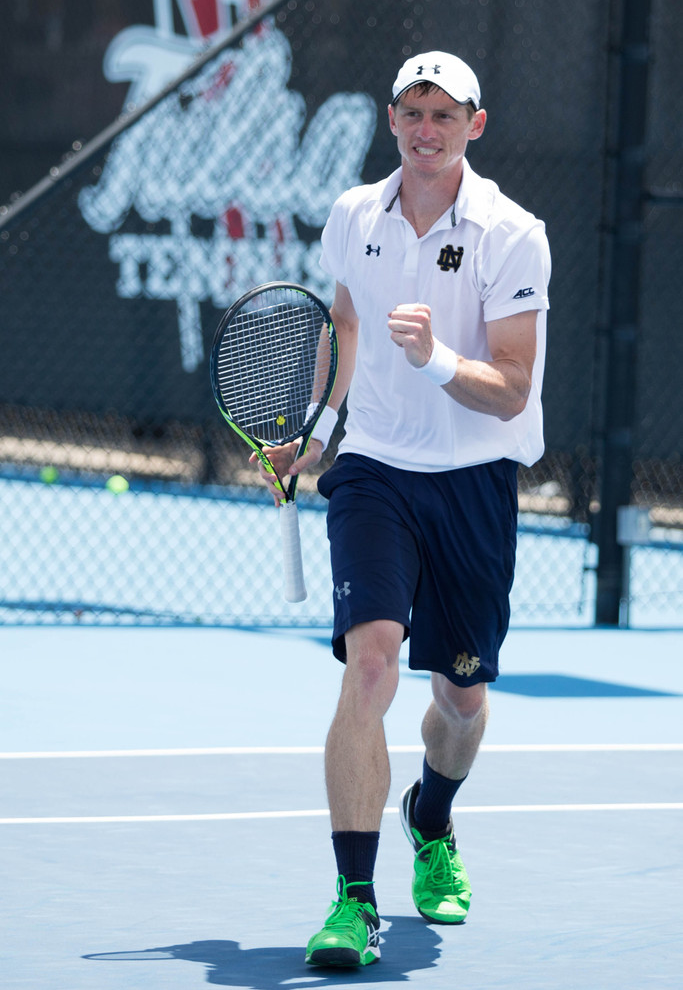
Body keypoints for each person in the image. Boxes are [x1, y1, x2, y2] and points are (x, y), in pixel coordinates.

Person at [253, 50, 551, 967]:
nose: (426, 132)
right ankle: (353, 901)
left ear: (475, 125)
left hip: (472, 481)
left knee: (459, 700)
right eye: (411, 114)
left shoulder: (512, 232)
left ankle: (432, 816)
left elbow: (509, 390)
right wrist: (318, 428)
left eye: (443, 117)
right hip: (375, 468)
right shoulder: (353, 214)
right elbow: (344, 321)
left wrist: (429, 359)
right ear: (391, 120)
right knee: (370, 668)